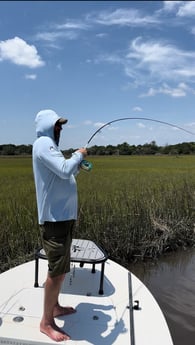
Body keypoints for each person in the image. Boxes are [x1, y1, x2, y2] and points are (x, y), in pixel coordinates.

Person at [32, 109, 87, 342]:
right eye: (57, 125)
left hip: (62, 218)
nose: (60, 129)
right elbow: (64, 169)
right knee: (57, 272)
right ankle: (46, 322)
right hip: (55, 221)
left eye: (61, 126)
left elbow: (64, 173)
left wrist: (77, 163)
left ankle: (55, 307)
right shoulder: (44, 143)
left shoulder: (48, 146)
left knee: (61, 270)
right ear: (46, 125)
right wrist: (78, 154)